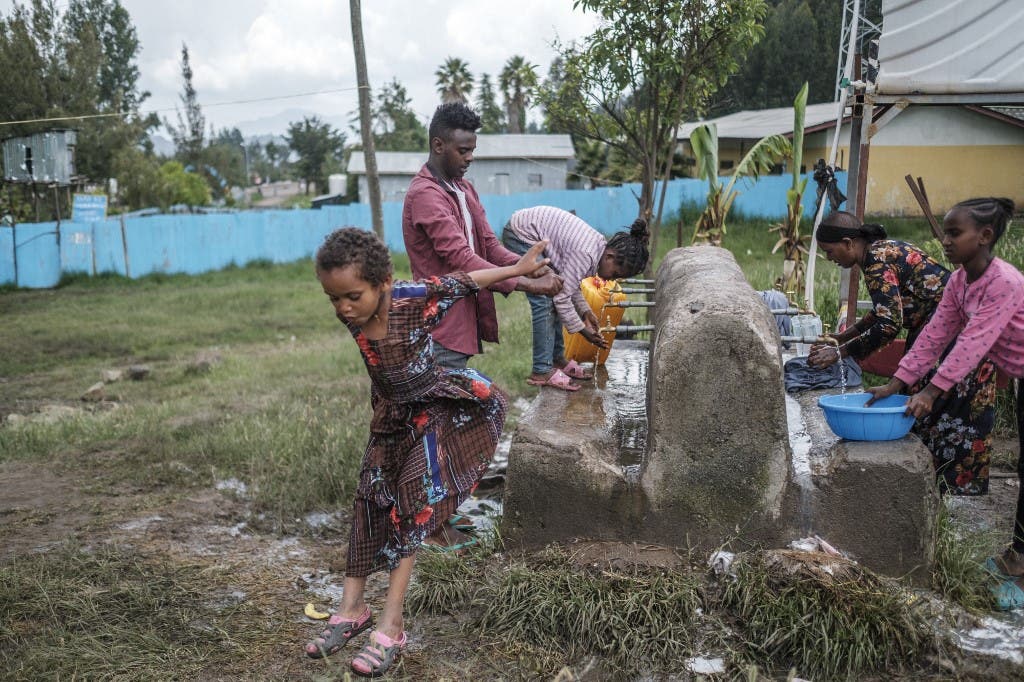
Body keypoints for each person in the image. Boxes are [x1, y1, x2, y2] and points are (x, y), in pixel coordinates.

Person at [302, 227, 551, 675]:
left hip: (437, 408)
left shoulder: (412, 299)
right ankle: (352, 608)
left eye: (351, 296)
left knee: (413, 506)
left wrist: (516, 268)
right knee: (369, 499)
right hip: (391, 418)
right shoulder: (351, 313)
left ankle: (391, 624)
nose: (342, 308)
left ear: (383, 283)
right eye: (333, 299)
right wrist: (351, 306)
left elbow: (464, 281)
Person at [865, 198, 1023, 584]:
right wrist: (897, 383)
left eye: (955, 233)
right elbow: (935, 336)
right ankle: (1018, 555)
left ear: (984, 236)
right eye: (946, 232)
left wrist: (931, 393)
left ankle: (1018, 557)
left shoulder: (1004, 281)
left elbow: (974, 341)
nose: (945, 242)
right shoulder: (959, 281)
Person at [807, 210, 999, 496]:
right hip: (944, 329)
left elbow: (888, 324)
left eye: (829, 251)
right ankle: (938, 488)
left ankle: (941, 491)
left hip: (954, 336)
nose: (829, 258)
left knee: (941, 409)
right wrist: (842, 337)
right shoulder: (881, 251)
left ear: (848, 243)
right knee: (935, 406)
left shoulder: (874, 262)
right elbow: (886, 310)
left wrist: (840, 353)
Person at [402, 102, 562, 371]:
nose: (470, 158)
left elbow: (487, 245)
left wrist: (530, 267)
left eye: (472, 151)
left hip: (463, 318)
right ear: (438, 145)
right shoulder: (425, 195)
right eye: (463, 151)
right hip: (440, 326)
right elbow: (462, 259)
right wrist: (525, 281)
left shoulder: (463, 189)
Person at [501, 205, 650, 390]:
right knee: (544, 298)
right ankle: (541, 370)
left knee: (553, 289)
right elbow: (562, 298)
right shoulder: (586, 254)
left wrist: (585, 311)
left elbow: (568, 285)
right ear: (610, 256)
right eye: (615, 274)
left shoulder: (597, 250)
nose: (612, 279)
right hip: (522, 234)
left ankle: (556, 360)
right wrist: (583, 330)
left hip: (532, 232)